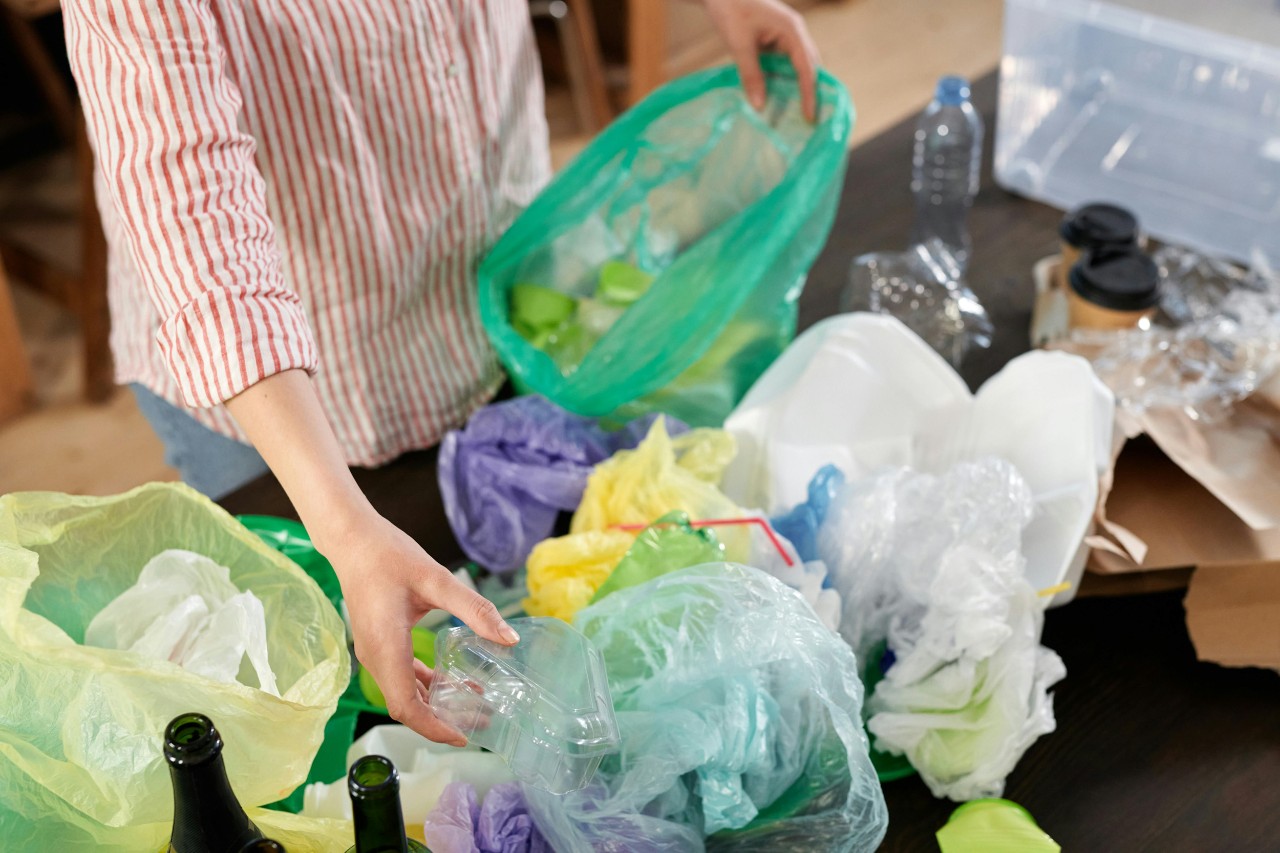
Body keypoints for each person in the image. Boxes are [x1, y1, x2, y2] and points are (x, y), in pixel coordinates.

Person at [63, 0, 821, 745]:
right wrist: (347, 530)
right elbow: (194, 208)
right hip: (287, 394)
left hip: (487, 265)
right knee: (298, 661)